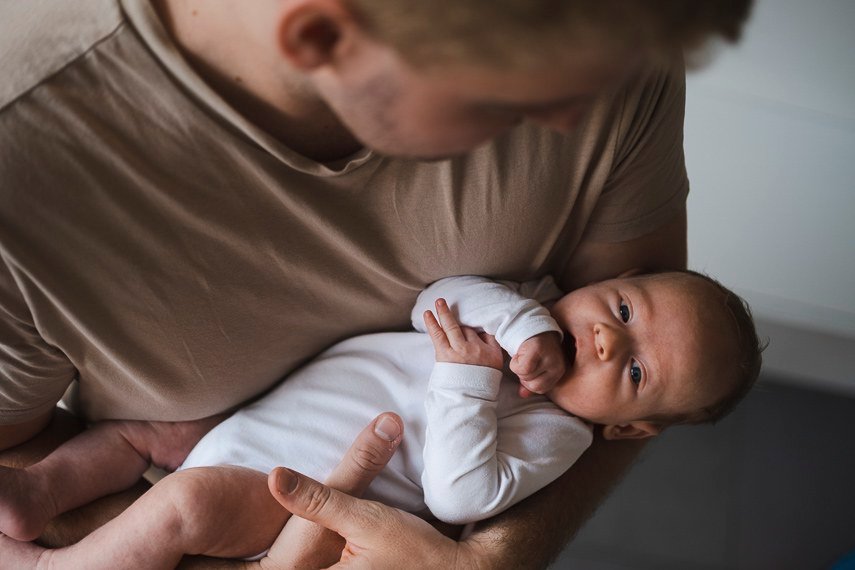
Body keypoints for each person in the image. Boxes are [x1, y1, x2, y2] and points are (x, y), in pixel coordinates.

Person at [0, 0, 754, 567]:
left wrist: (485, 561)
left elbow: (635, 385)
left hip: (275, 487)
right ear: (322, 37)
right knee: (145, 448)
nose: (571, 116)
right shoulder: (25, 164)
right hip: (230, 456)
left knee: (182, 484)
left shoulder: (603, 37)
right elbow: (446, 302)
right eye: (512, 88)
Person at [0, 270, 762, 567]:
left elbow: (458, 498)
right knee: (147, 430)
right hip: (236, 424)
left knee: (186, 502)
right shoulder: (518, 306)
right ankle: (42, 495)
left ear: (627, 430)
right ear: (609, 282)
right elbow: (434, 297)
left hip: (276, 492)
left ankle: (60, 568)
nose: (603, 336)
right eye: (623, 309)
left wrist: (469, 380)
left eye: (632, 370)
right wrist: (521, 324)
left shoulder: (558, 434)